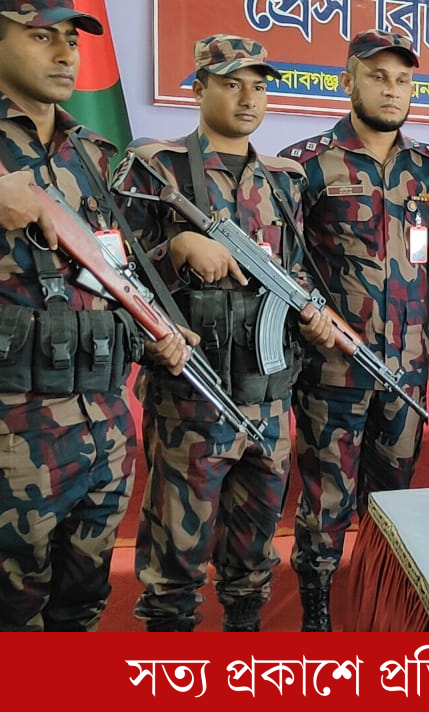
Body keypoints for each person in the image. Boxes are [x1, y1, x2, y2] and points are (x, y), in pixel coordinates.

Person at [0, 0, 189, 631]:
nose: (65, 54)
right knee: (1, 623)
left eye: (71, 38)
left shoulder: (95, 154)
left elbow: (109, 268)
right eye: (42, 37)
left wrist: (155, 324)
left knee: (80, 613)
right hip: (5, 437)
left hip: (104, 433)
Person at [113, 34, 331, 632]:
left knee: (253, 563)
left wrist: (310, 313)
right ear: (200, 88)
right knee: (174, 567)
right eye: (232, 84)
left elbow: (292, 272)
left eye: (258, 87)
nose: (248, 98)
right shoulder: (157, 168)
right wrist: (178, 245)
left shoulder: (284, 180)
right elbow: (113, 272)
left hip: (268, 401)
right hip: (191, 400)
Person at [281, 30, 429, 631]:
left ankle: (382, 609)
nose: (392, 89)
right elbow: (286, 259)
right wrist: (312, 316)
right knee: (326, 501)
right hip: (333, 370)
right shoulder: (306, 163)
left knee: (394, 500)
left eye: (403, 79)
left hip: (407, 369)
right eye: (378, 76)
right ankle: (317, 614)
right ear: (347, 80)